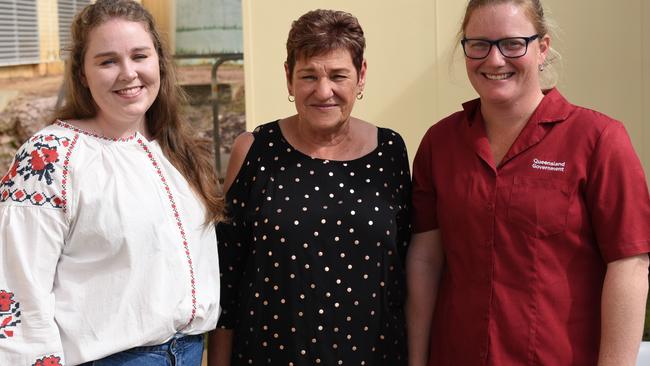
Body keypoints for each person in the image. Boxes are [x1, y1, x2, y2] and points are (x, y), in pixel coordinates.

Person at [406, 0, 650, 365]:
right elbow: (426, 261)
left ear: (542, 48)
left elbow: (629, 265)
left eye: (512, 43)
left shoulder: (599, 139)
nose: (494, 59)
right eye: (479, 44)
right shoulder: (439, 144)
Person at [0, 0, 223, 364]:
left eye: (139, 56)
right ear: (83, 74)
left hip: (188, 352)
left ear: (159, 63)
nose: (128, 73)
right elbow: (17, 292)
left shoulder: (174, 146)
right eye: (107, 61)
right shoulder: (50, 157)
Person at [207, 9, 411, 366]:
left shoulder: (391, 151)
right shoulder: (254, 150)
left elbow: (407, 269)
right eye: (308, 76)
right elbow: (227, 279)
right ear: (288, 78)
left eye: (338, 75)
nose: (324, 91)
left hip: (373, 354)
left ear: (361, 76)